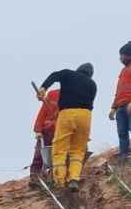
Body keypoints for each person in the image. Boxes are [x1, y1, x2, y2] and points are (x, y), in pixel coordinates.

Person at [38, 63, 97, 191]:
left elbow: (54, 75)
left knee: (60, 148)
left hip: (68, 113)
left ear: (78, 70)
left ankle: (60, 181)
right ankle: (74, 178)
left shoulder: (68, 74)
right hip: (86, 116)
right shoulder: (92, 84)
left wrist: (43, 88)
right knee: (78, 150)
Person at [30, 86, 60, 182]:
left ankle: (54, 177)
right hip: (47, 130)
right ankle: (35, 177)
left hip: (62, 132)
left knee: (58, 156)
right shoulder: (53, 94)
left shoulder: (75, 97)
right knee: (40, 153)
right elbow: (42, 113)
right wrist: (38, 130)